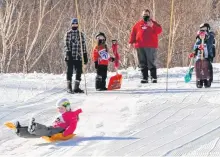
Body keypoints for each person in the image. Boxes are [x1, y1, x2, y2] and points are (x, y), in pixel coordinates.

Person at [15, 98, 82, 138]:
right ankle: (21, 131)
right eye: (59, 108)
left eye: (61, 108)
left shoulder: (71, 115)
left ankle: (34, 127)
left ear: (67, 107)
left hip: (61, 130)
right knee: (43, 130)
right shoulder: (65, 114)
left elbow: (72, 126)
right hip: (55, 128)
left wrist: (66, 134)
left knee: (46, 131)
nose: (59, 110)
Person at [129, 9, 162, 83]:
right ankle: (145, 77)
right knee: (142, 62)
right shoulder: (138, 24)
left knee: (151, 61)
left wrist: (152, 25)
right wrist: (131, 42)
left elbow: (159, 31)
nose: (145, 16)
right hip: (140, 46)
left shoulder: (153, 23)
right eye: (144, 14)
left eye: (147, 14)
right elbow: (133, 33)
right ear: (142, 15)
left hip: (151, 46)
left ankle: (153, 77)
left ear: (149, 15)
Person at [64, 18, 88, 93]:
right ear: (71, 25)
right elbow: (66, 44)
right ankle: (69, 87)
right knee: (69, 71)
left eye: (76, 24)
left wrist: (85, 54)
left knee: (79, 71)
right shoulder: (68, 33)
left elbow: (83, 45)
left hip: (78, 56)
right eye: (73, 24)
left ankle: (76, 87)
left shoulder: (81, 34)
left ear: (78, 25)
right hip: (70, 55)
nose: (75, 25)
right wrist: (68, 53)